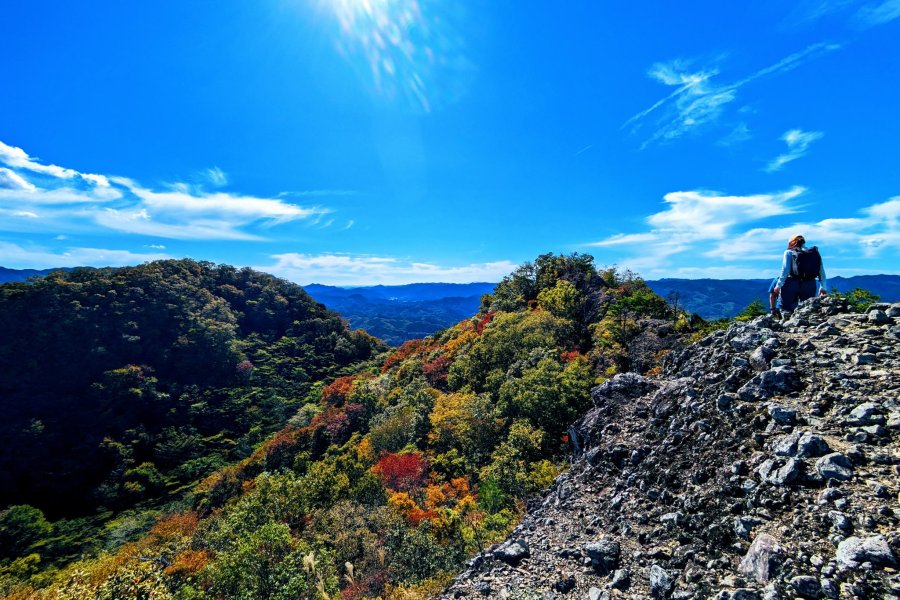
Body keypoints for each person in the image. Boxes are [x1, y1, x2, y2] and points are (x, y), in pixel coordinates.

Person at [772, 235, 827, 314]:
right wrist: (823, 287)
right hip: (810, 283)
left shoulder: (789, 252)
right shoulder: (814, 252)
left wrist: (778, 286)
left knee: (785, 308)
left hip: (791, 282)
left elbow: (785, 271)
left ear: (791, 242)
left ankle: (786, 323)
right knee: (808, 308)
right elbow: (821, 271)